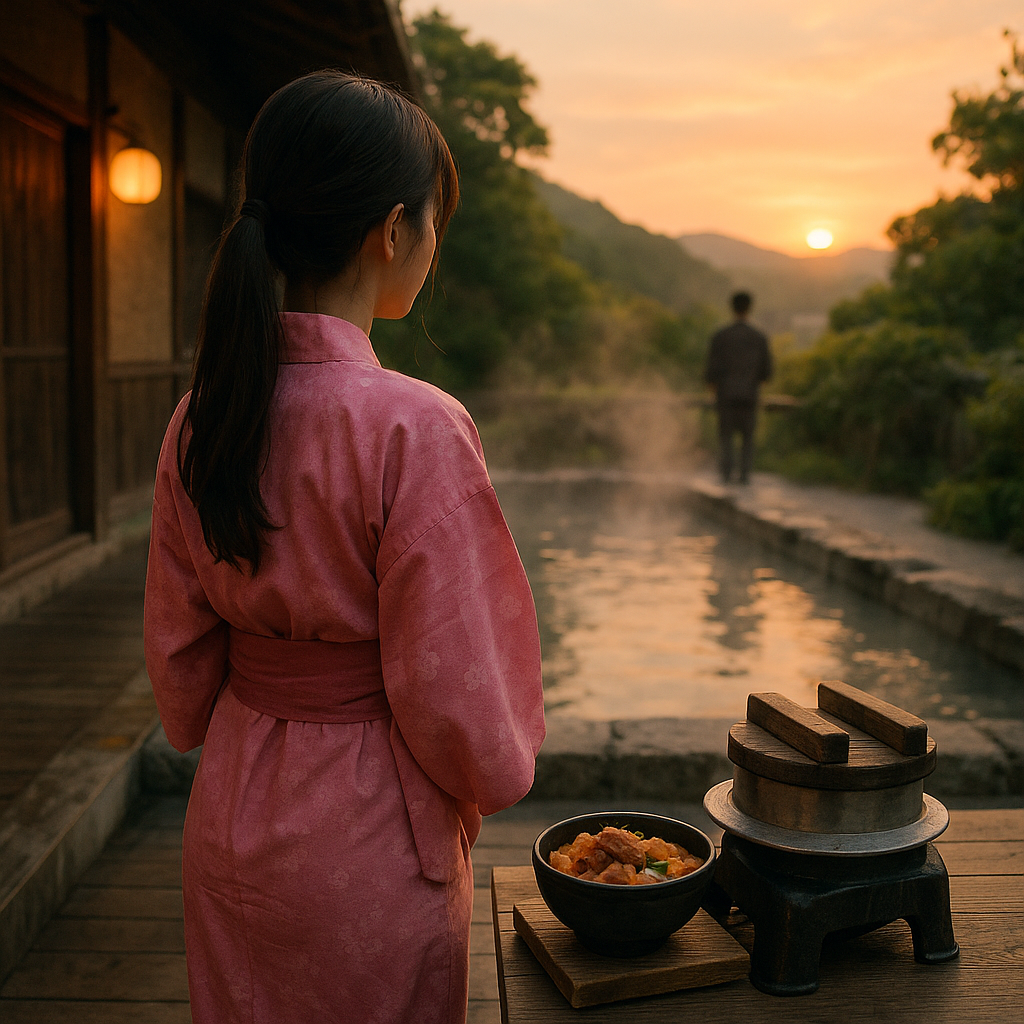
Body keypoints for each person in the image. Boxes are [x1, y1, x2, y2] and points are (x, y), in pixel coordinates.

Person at [143, 71, 546, 1024]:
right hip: (370, 830)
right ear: (392, 231)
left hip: (237, 807)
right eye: (434, 220)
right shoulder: (415, 427)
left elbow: (180, 660)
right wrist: (494, 773)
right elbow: (455, 687)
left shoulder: (201, 417)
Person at [704, 291, 772, 484]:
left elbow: (711, 371)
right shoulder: (759, 337)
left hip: (725, 394)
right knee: (747, 439)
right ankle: (744, 476)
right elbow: (767, 372)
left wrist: (714, 390)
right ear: (750, 308)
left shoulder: (721, 336)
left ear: (732, 307)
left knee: (726, 437)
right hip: (750, 394)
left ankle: (726, 474)